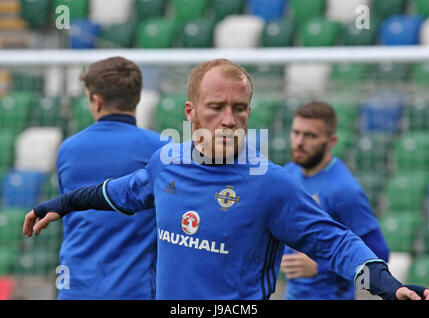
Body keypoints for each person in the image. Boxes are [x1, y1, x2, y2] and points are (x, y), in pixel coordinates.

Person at [23, 59, 429, 300]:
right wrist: (57, 205)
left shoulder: (272, 184)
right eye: (216, 107)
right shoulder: (166, 162)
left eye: (240, 108)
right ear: (190, 112)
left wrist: (387, 285)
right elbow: (117, 192)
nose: (230, 120)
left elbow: (338, 242)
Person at [54, 56, 167, 299]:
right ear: (137, 98)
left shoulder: (68, 149)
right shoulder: (162, 149)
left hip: (76, 288)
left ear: (96, 101)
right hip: (135, 289)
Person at [280, 101, 390, 300]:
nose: (299, 142)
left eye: (310, 135)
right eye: (296, 132)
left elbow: (380, 253)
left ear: (331, 141)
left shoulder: (344, 190)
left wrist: (319, 267)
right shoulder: (289, 173)